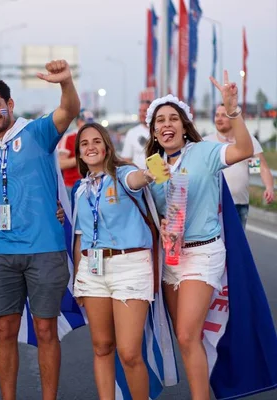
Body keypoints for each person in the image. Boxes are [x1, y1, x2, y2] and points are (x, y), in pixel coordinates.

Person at [0, 59, 80, 400]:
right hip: (4, 252)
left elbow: (69, 109)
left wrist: (65, 82)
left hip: (44, 249)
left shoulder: (36, 132)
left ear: (10, 105)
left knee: (46, 330)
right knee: (4, 331)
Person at [144, 72, 253, 399]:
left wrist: (233, 111)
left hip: (203, 253)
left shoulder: (203, 152)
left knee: (188, 334)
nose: (167, 124)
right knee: (186, 339)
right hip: (171, 258)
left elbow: (244, 149)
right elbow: (155, 211)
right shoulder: (155, 165)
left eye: (173, 118)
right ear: (154, 131)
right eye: (159, 120)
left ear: (184, 124)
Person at [71, 122, 157, 400]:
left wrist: (150, 174)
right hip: (91, 269)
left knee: (129, 352)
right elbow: (79, 237)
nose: (91, 147)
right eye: (85, 144)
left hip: (130, 266)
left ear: (107, 147)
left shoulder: (123, 174)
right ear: (80, 154)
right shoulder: (80, 190)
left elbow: (139, 179)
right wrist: (77, 281)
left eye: (97, 141)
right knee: (102, 346)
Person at [205, 103, 274, 227]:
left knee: (237, 245)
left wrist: (269, 187)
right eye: (217, 115)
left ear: (233, 119)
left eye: (223, 115)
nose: (219, 119)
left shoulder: (247, 142)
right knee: (216, 245)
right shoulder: (206, 142)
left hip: (239, 204)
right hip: (213, 204)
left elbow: (260, 167)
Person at [57, 109, 94, 195]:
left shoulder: (95, 136)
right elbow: (61, 164)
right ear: (79, 122)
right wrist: (83, 157)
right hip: (73, 184)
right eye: (86, 122)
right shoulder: (69, 137)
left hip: (92, 183)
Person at [121, 99, 152, 169]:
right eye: (140, 111)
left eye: (145, 111)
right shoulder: (132, 133)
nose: (141, 114)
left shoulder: (158, 131)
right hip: (140, 176)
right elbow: (126, 159)